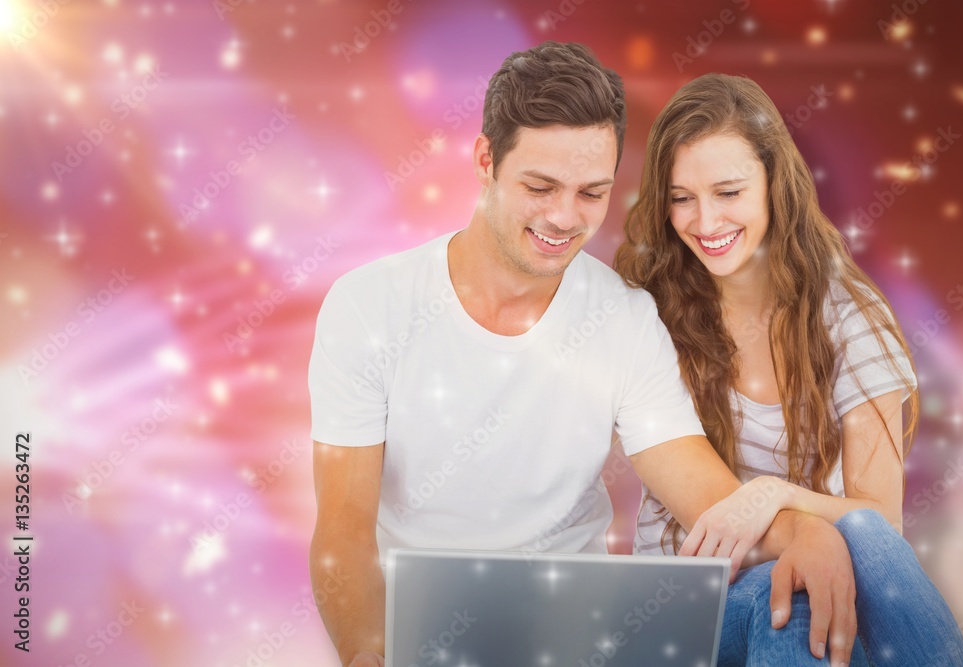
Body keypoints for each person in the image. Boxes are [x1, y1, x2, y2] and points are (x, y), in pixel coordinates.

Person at [309, 43, 858, 667]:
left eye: (591, 192)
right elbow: (343, 532)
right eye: (540, 186)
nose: (564, 218)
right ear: (486, 160)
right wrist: (367, 657)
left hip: (578, 639)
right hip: (420, 638)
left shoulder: (622, 318)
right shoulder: (369, 305)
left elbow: (705, 499)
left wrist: (804, 530)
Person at [616, 72, 963, 666]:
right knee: (798, 597)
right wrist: (800, 528)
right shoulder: (646, 312)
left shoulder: (849, 315)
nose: (705, 222)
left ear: (774, 185)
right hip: (687, 605)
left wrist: (772, 495)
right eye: (682, 198)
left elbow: (880, 527)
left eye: (728, 192)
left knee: (839, 559)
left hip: (820, 576)